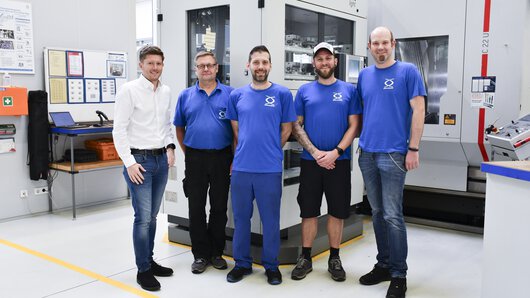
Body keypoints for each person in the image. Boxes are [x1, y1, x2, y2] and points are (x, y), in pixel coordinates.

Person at [357, 27, 425, 298]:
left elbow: (419, 110)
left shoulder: (408, 72)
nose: (381, 47)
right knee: (375, 213)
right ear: (369, 46)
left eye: (385, 42)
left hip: (394, 155)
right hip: (367, 154)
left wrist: (413, 148)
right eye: (376, 43)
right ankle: (383, 264)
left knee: (393, 215)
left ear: (393, 43)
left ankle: (399, 274)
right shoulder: (364, 76)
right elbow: (362, 113)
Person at [290, 42, 362, 282]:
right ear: (314, 63)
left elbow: (355, 125)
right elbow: (296, 124)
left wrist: (335, 152)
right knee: (308, 211)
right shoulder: (304, 91)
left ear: (335, 62)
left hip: (338, 162)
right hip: (311, 162)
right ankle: (306, 257)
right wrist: (316, 153)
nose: (324, 62)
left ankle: (334, 257)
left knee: (337, 211)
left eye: (327, 58)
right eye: (319, 59)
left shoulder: (349, 91)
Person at [225, 45, 296, 285]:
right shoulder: (237, 95)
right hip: (242, 169)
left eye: (265, 62)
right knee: (241, 219)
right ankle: (242, 264)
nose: (260, 67)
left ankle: (271, 266)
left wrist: (272, 150)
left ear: (270, 66)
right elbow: (236, 131)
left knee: (270, 221)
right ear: (248, 65)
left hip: (269, 169)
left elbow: (287, 129)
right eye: (256, 62)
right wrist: (240, 156)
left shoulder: (282, 94)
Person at [112, 45, 176, 292]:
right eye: (150, 63)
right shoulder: (129, 90)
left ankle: (149, 260)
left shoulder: (166, 91)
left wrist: (170, 148)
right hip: (139, 161)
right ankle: (143, 270)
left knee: (152, 217)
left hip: (160, 160)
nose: (155, 68)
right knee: (142, 218)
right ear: (140, 65)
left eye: (159, 63)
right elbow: (118, 130)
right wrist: (129, 163)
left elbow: (167, 124)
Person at [173, 51, 233, 274]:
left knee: (219, 207)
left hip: (222, 157)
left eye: (209, 65)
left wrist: (233, 158)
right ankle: (200, 255)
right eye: (201, 66)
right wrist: (188, 151)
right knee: (195, 207)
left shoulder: (230, 94)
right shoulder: (185, 96)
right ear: (195, 69)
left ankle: (216, 253)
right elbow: (179, 128)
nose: (205, 69)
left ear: (217, 68)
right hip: (195, 158)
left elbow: (236, 130)